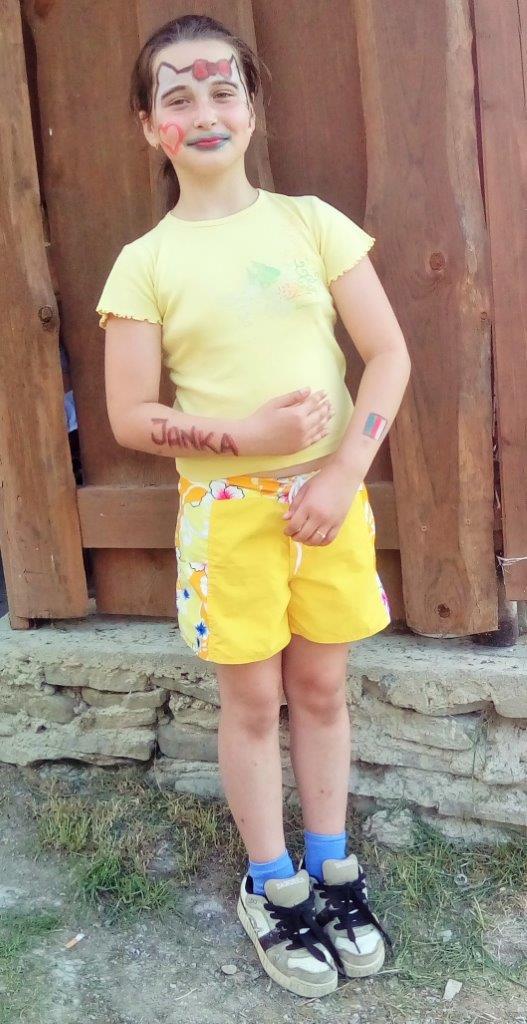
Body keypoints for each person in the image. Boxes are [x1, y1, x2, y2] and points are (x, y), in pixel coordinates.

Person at [96, 14, 411, 999]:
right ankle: (271, 882)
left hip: (330, 503)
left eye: (221, 89)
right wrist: (245, 437)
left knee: (320, 688)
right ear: (149, 126)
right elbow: (130, 416)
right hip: (227, 516)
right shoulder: (144, 264)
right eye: (177, 96)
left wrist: (342, 471)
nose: (203, 111)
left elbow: (387, 355)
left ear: (252, 107)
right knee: (251, 701)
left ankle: (331, 865)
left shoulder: (310, 224)